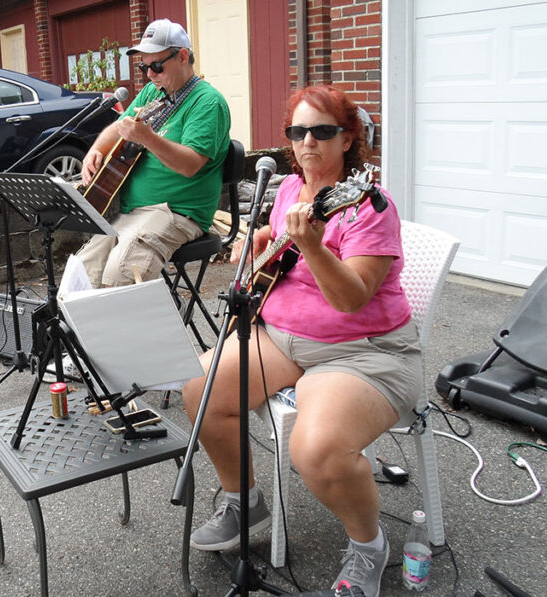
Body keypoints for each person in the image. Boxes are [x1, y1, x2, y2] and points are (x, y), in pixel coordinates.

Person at [182, 85, 422, 597]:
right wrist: (265, 246)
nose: (308, 142)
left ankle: (368, 548)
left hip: (364, 351)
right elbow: (275, 263)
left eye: (323, 131)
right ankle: (243, 501)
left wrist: (313, 246)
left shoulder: (368, 208)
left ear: (348, 137)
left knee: (315, 450)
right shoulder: (291, 188)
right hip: (284, 337)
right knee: (197, 387)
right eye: (298, 131)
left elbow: (352, 298)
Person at [76, 18, 231, 287]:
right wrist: (95, 150)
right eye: (144, 66)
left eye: (157, 66)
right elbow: (119, 127)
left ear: (183, 56)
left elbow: (190, 164)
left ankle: (147, 322)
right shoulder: (153, 92)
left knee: (118, 276)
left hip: (177, 213)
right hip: (133, 213)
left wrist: (147, 138)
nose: (149, 74)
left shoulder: (207, 102)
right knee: (82, 274)